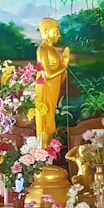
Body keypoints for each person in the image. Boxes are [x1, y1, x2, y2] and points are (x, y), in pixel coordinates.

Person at [35, 17, 70, 147]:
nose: (59, 35)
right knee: (45, 121)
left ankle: (48, 151)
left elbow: (59, 77)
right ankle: (43, 150)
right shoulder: (42, 50)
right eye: (55, 31)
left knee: (51, 120)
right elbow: (47, 74)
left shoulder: (53, 50)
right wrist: (64, 65)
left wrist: (63, 66)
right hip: (44, 88)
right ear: (45, 31)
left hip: (52, 89)